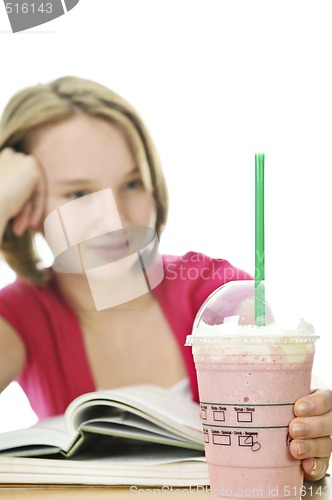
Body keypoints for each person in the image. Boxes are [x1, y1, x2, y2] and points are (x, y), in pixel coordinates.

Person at [0, 76, 331, 481]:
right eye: (78, 195)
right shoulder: (20, 314)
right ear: (25, 210)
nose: (117, 220)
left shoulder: (218, 293)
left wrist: (312, 419)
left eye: (133, 183)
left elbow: (290, 394)